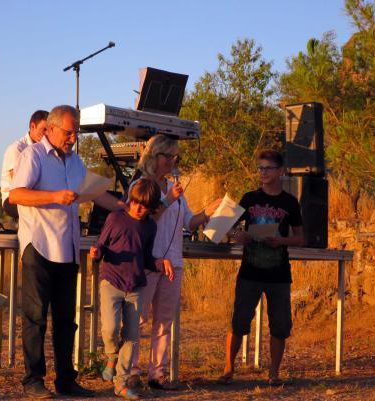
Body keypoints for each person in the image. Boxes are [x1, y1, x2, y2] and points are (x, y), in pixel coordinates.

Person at [9, 105, 125, 399]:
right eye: (69, 131)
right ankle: (33, 380)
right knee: (36, 318)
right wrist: (54, 197)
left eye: (76, 132)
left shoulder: (75, 162)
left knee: (66, 319)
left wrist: (124, 207)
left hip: (68, 248)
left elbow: (96, 194)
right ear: (50, 128)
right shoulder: (33, 155)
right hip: (39, 246)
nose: (73, 137)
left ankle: (66, 379)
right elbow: (16, 194)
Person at [129, 134, 221, 390]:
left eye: (174, 156)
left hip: (173, 261)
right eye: (167, 156)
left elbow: (188, 222)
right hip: (148, 261)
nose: (172, 161)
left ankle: (157, 374)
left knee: (164, 320)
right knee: (138, 319)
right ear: (154, 156)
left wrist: (207, 213)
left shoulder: (175, 188)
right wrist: (167, 199)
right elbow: (140, 221)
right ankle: (131, 370)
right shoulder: (140, 185)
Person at [220, 149, 304, 386]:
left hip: (278, 274)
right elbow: (228, 227)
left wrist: (281, 241)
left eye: (268, 168)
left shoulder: (290, 202)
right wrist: (241, 235)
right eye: (260, 168)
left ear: (281, 171)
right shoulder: (249, 198)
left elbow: (300, 238)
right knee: (239, 321)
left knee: (280, 324)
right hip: (250, 272)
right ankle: (228, 368)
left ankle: (273, 373)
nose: (263, 172)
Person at [90, 178, 172, 400]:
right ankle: (110, 355)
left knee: (131, 336)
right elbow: (101, 246)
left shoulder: (149, 226)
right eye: (135, 202)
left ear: (152, 208)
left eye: (144, 206)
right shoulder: (115, 218)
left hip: (135, 286)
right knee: (110, 328)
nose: (138, 208)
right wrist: (96, 254)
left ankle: (121, 383)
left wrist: (160, 263)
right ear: (129, 199)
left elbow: (146, 258)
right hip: (111, 281)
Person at [0, 110, 48, 218]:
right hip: (12, 199)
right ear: (32, 126)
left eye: (49, 130)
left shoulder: (46, 149)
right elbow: (17, 184)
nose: (46, 134)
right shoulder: (17, 148)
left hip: (36, 195)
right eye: (44, 129)